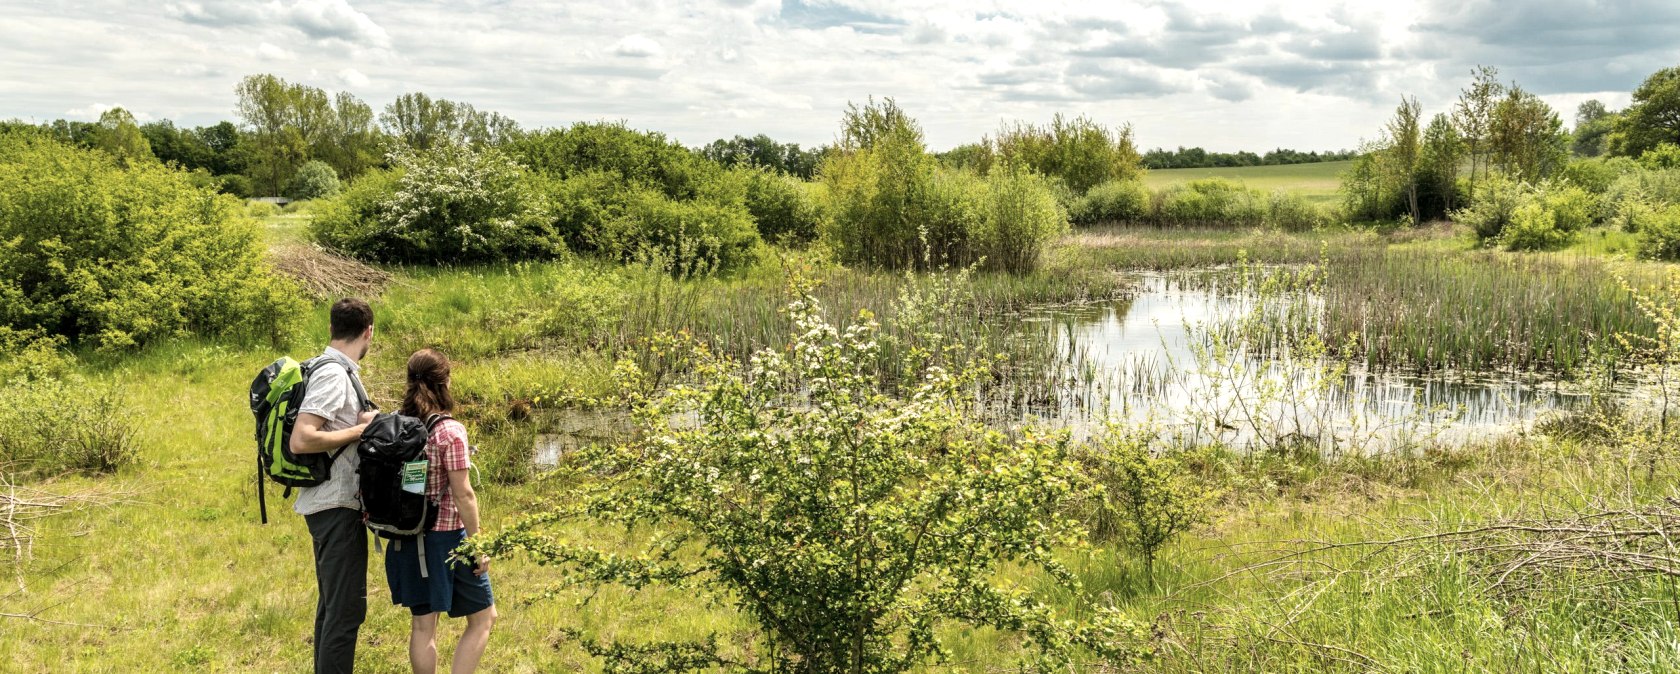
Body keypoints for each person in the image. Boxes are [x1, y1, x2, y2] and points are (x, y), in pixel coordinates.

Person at [386, 348, 496, 673]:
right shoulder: (450, 431)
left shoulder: (398, 424)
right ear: (445, 381)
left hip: (407, 536)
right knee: (484, 618)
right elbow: (464, 494)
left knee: (422, 627)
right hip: (448, 539)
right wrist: (478, 547)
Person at [290, 297, 378, 674]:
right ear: (368, 332)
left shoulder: (335, 369)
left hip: (329, 504)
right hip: (336, 506)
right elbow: (302, 438)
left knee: (332, 608)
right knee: (345, 613)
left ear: (331, 328)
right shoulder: (333, 374)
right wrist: (363, 429)